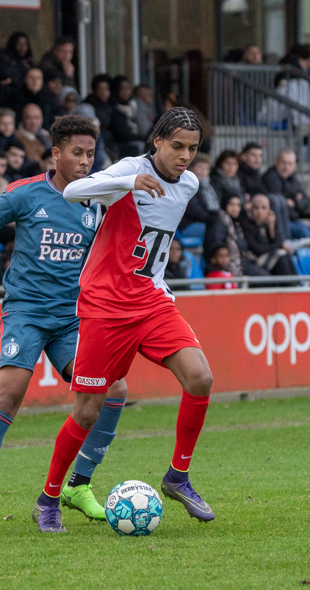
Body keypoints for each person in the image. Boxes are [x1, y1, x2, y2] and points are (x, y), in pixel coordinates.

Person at [32, 107, 215, 533]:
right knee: (88, 410)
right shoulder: (131, 170)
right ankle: (49, 499)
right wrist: (126, 182)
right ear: (157, 142)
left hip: (152, 302)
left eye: (192, 148)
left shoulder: (188, 185)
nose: (185, 156)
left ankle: (178, 477)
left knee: (200, 379)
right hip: (105, 307)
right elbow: (73, 192)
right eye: (177, 146)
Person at [0, 115, 127, 532]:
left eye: (90, 154)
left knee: (114, 389)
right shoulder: (25, 194)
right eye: (77, 153)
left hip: (72, 318)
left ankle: (78, 486)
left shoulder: (97, 201)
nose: (85, 162)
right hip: (26, 313)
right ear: (56, 153)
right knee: (7, 396)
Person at [262, 149, 310, 245]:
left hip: (295, 221)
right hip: (283, 224)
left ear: (294, 166)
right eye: (283, 162)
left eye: (290, 164)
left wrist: (294, 202)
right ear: (276, 162)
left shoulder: (293, 179)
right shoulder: (270, 177)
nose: (286, 167)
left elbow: (308, 201)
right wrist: (297, 201)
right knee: (304, 233)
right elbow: (282, 206)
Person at [237, 194, 298, 277]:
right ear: (251, 209)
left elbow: (277, 240)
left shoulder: (269, 222)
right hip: (254, 260)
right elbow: (257, 249)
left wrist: (271, 227)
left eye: (263, 208)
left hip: (268, 256)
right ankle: (292, 286)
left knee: (285, 256)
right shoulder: (246, 224)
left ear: (269, 210)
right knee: (281, 258)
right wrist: (279, 246)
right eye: (256, 208)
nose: (260, 212)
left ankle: (297, 285)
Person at [109, 75, 148, 158]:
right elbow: (122, 134)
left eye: (128, 89)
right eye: (123, 89)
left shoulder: (133, 105)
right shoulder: (113, 108)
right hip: (121, 145)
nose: (126, 92)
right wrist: (144, 138)